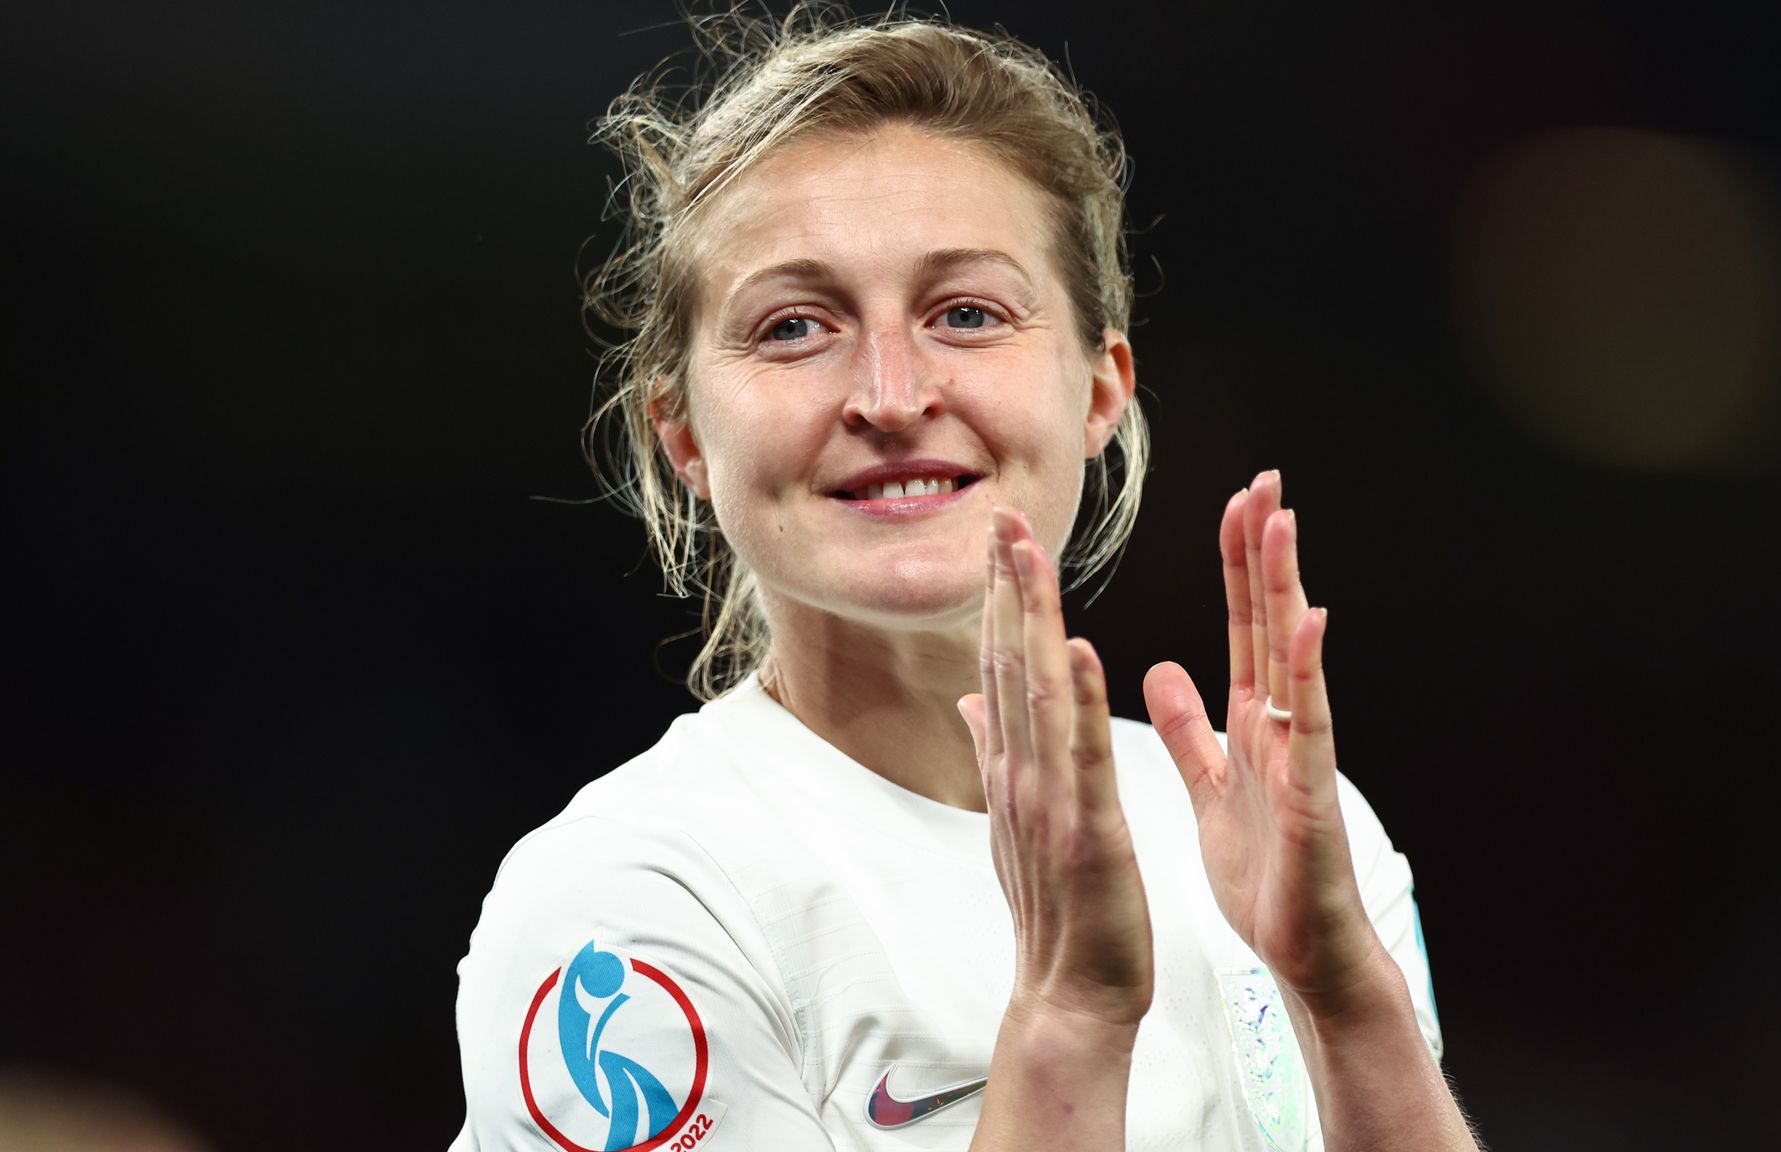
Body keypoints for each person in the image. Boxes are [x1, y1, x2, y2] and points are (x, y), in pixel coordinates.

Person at [449, 11, 1478, 1151]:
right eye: (794, 327)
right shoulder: (625, 913)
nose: (891, 397)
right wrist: (1070, 1015)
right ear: (684, 431)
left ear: (1100, 389)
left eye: (968, 314)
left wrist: (1346, 999)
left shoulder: (1282, 840)